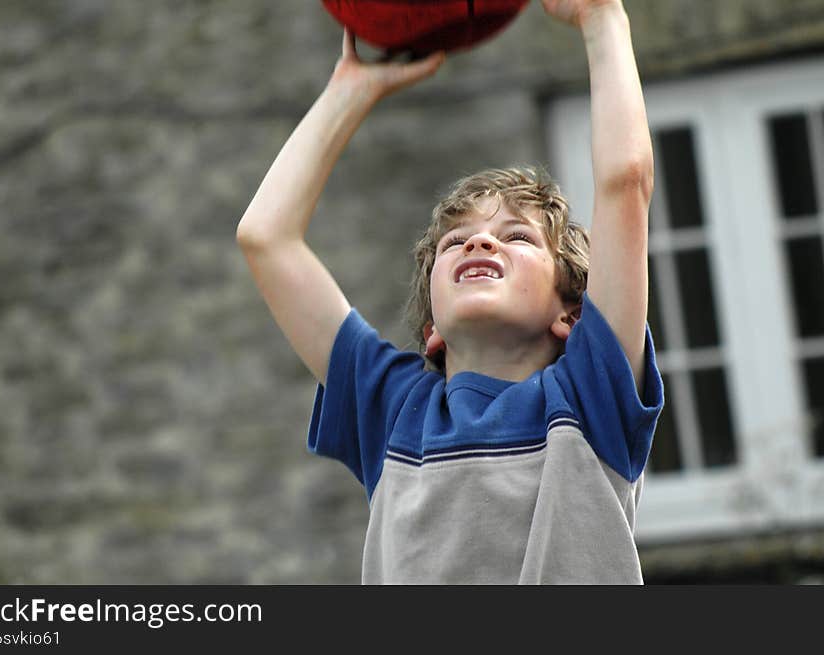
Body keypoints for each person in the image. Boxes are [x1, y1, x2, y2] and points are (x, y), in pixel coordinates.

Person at [237, 0, 664, 584]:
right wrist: (349, 91)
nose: (479, 245)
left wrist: (602, 18)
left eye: (516, 236)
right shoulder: (394, 410)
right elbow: (266, 238)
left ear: (570, 313)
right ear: (432, 329)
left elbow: (625, 183)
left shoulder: (591, 394)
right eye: (456, 241)